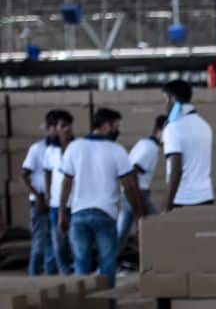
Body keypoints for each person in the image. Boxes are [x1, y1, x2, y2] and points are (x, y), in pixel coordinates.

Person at [59, 108, 145, 293]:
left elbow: (66, 183)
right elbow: (130, 186)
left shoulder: (74, 147)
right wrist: (138, 214)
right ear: (106, 125)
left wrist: (61, 214)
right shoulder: (116, 150)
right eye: (116, 126)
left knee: (81, 266)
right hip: (105, 215)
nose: (117, 130)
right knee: (107, 266)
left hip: (78, 215)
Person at [161, 79, 213, 211]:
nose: (165, 105)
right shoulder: (204, 126)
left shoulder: (173, 129)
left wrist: (166, 206)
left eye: (165, 100)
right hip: (206, 198)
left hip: (182, 200)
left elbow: (176, 170)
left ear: (172, 99)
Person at [117, 115, 166, 250]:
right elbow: (132, 173)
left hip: (133, 192)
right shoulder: (149, 148)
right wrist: (138, 203)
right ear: (161, 130)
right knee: (157, 227)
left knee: (122, 232)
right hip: (137, 193)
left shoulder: (145, 144)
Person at [20, 110, 59, 275]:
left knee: (53, 244)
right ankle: (33, 277)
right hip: (40, 202)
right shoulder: (37, 149)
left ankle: (49, 279)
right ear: (49, 128)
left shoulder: (63, 149)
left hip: (56, 202)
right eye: (58, 127)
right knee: (40, 243)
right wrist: (38, 197)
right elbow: (23, 175)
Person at [43, 110, 75, 274]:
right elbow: (47, 172)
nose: (67, 129)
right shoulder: (50, 151)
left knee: (75, 243)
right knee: (59, 243)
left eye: (69, 125)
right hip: (56, 204)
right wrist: (48, 193)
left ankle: (78, 274)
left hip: (75, 203)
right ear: (56, 128)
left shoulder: (77, 147)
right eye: (63, 125)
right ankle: (64, 274)